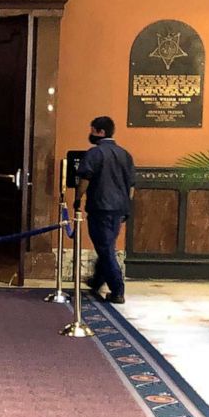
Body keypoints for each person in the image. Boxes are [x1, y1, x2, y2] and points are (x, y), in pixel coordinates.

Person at [75, 115, 136, 304]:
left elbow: (85, 179)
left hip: (101, 207)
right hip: (119, 208)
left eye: (92, 130)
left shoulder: (95, 153)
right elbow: (131, 186)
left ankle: (117, 289)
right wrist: (126, 205)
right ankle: (97, 281)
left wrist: (77, 199)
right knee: (106, 245)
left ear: (100, 132)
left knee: (105, 247)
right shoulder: (125, 154)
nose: (90, 134)